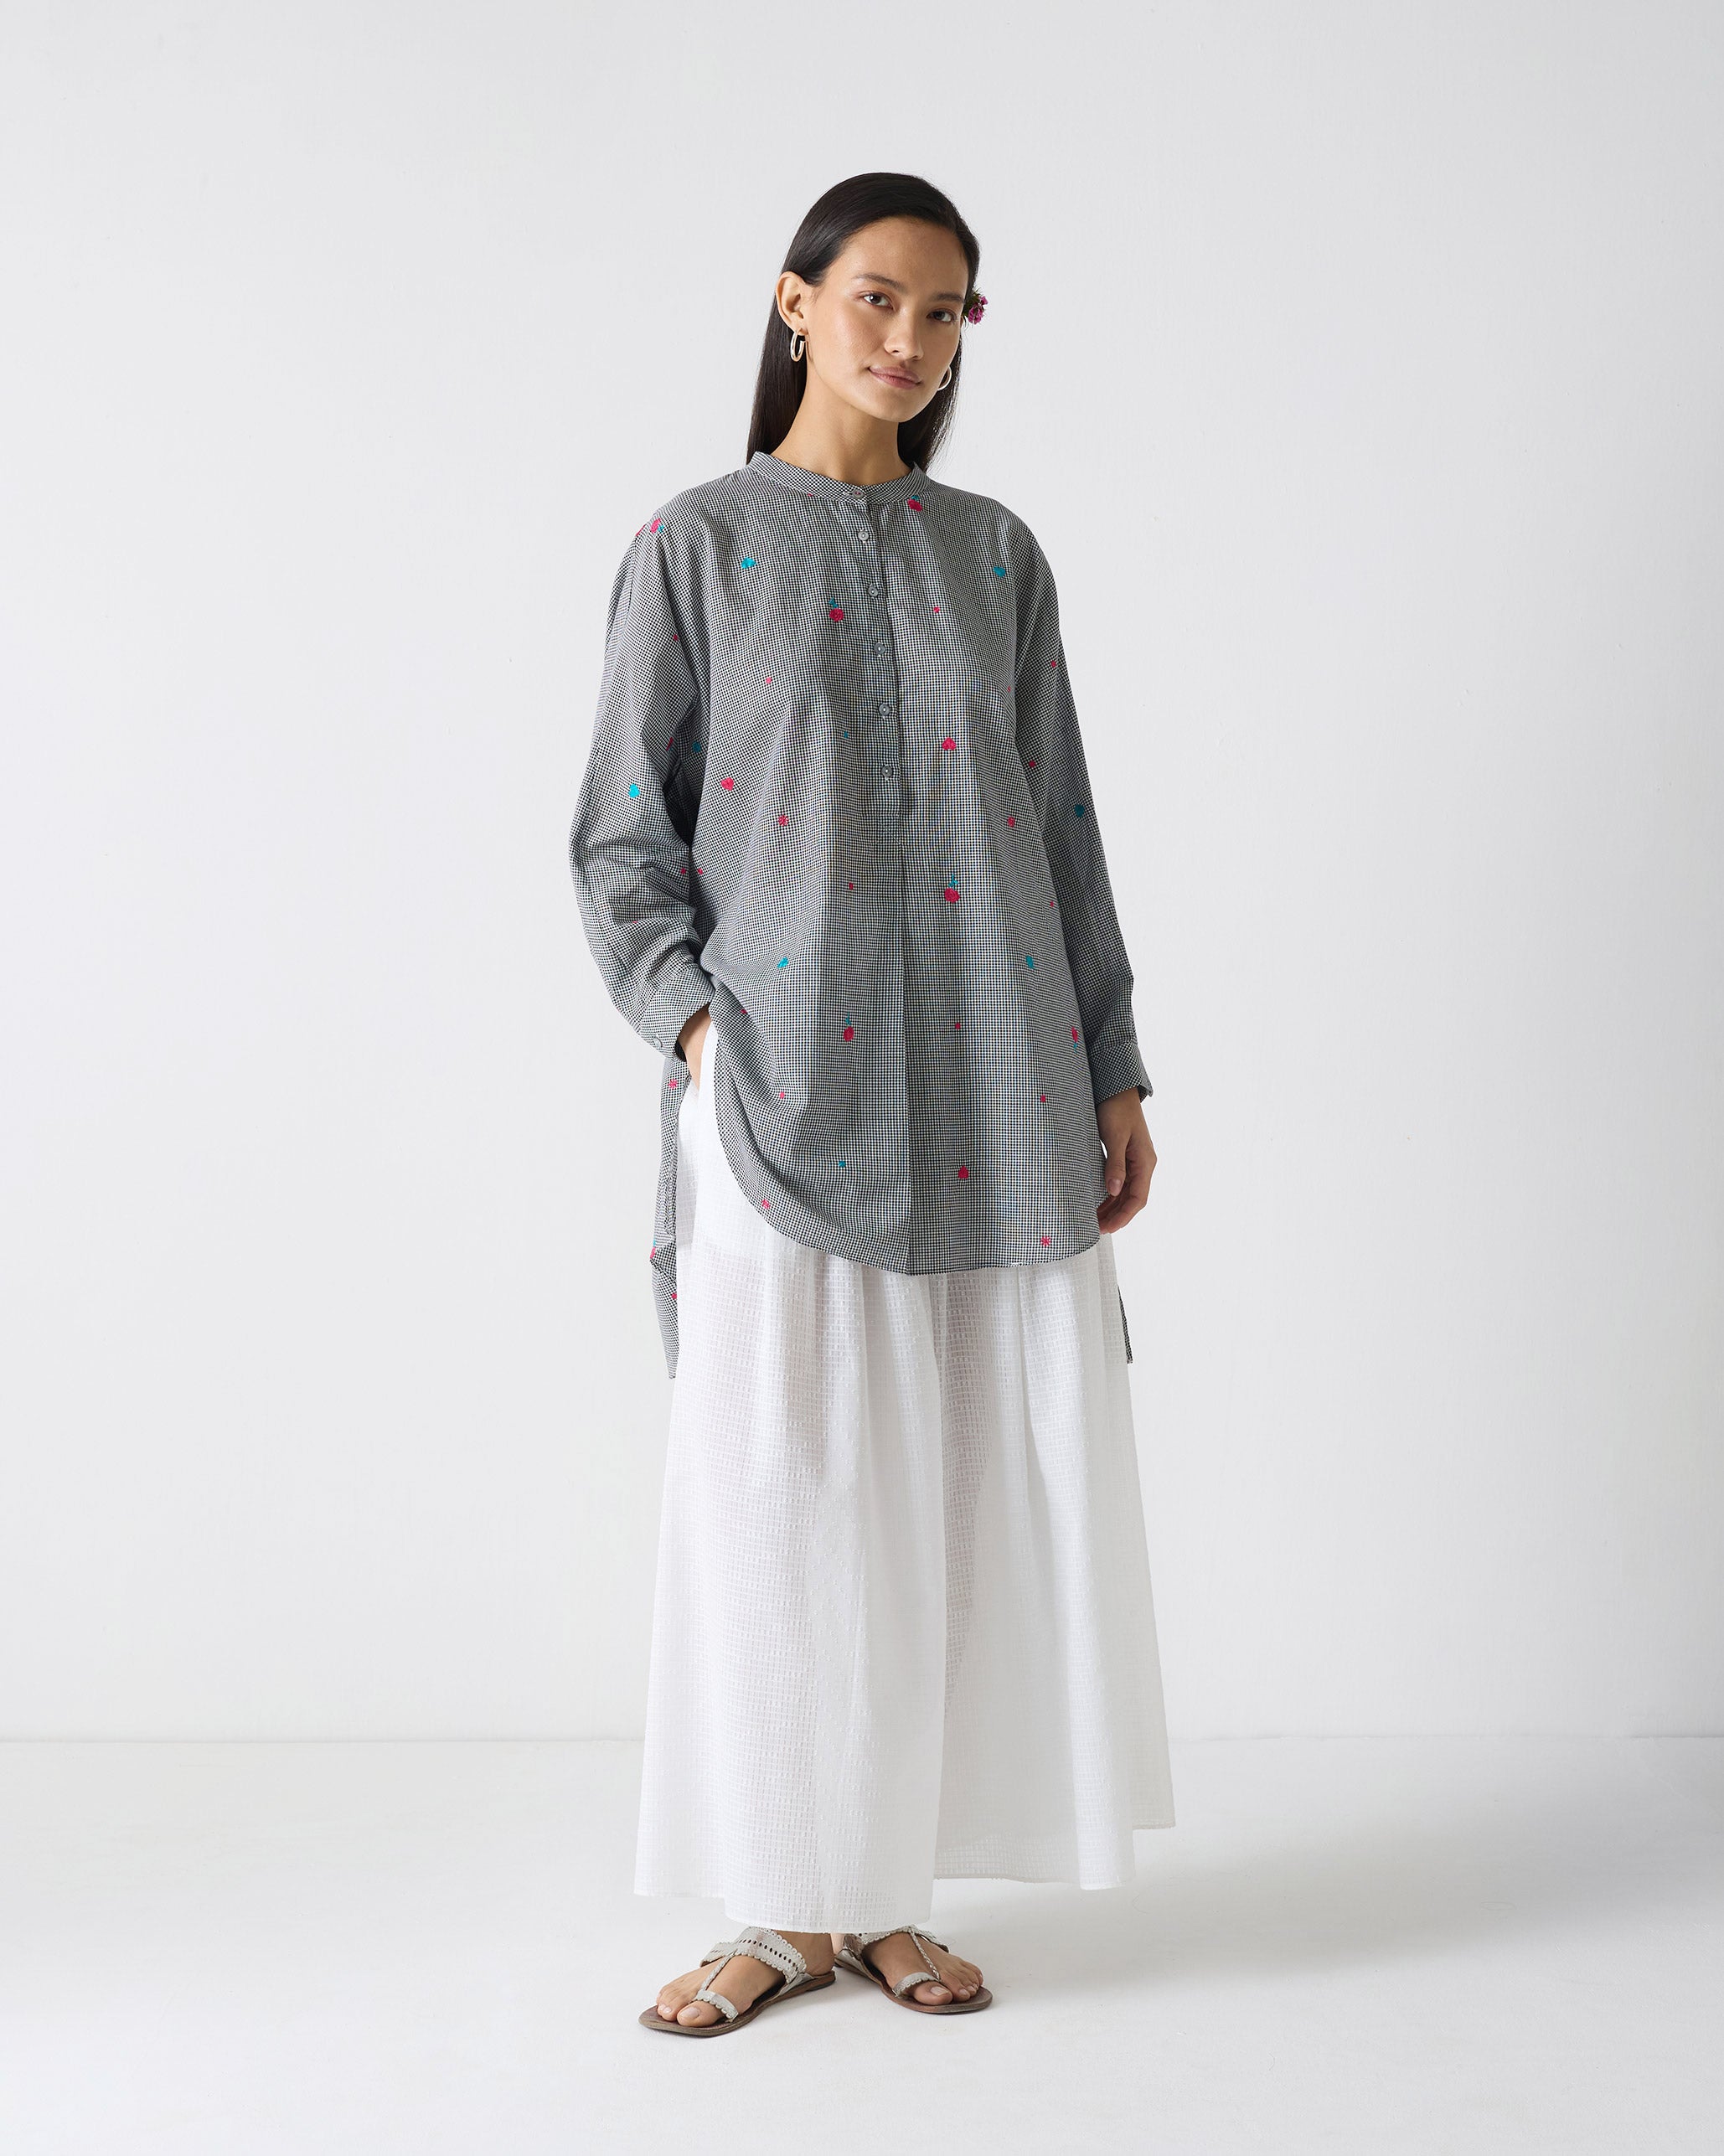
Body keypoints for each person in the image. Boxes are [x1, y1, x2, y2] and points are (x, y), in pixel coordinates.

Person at [568, 171, 1175, 2035]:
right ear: (797, 303)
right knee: (784, 1496)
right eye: (877, 299)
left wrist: (1113, 1060)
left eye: (944, 311)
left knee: (957, 1490)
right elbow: (620, 840)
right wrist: (699, 1033)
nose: (909, 340)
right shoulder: (697, 546)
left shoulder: (996, 556)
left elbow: (1061, 825)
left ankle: (886, 1895)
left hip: (1000, 1081)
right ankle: (782, 1906)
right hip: (781, 1100)